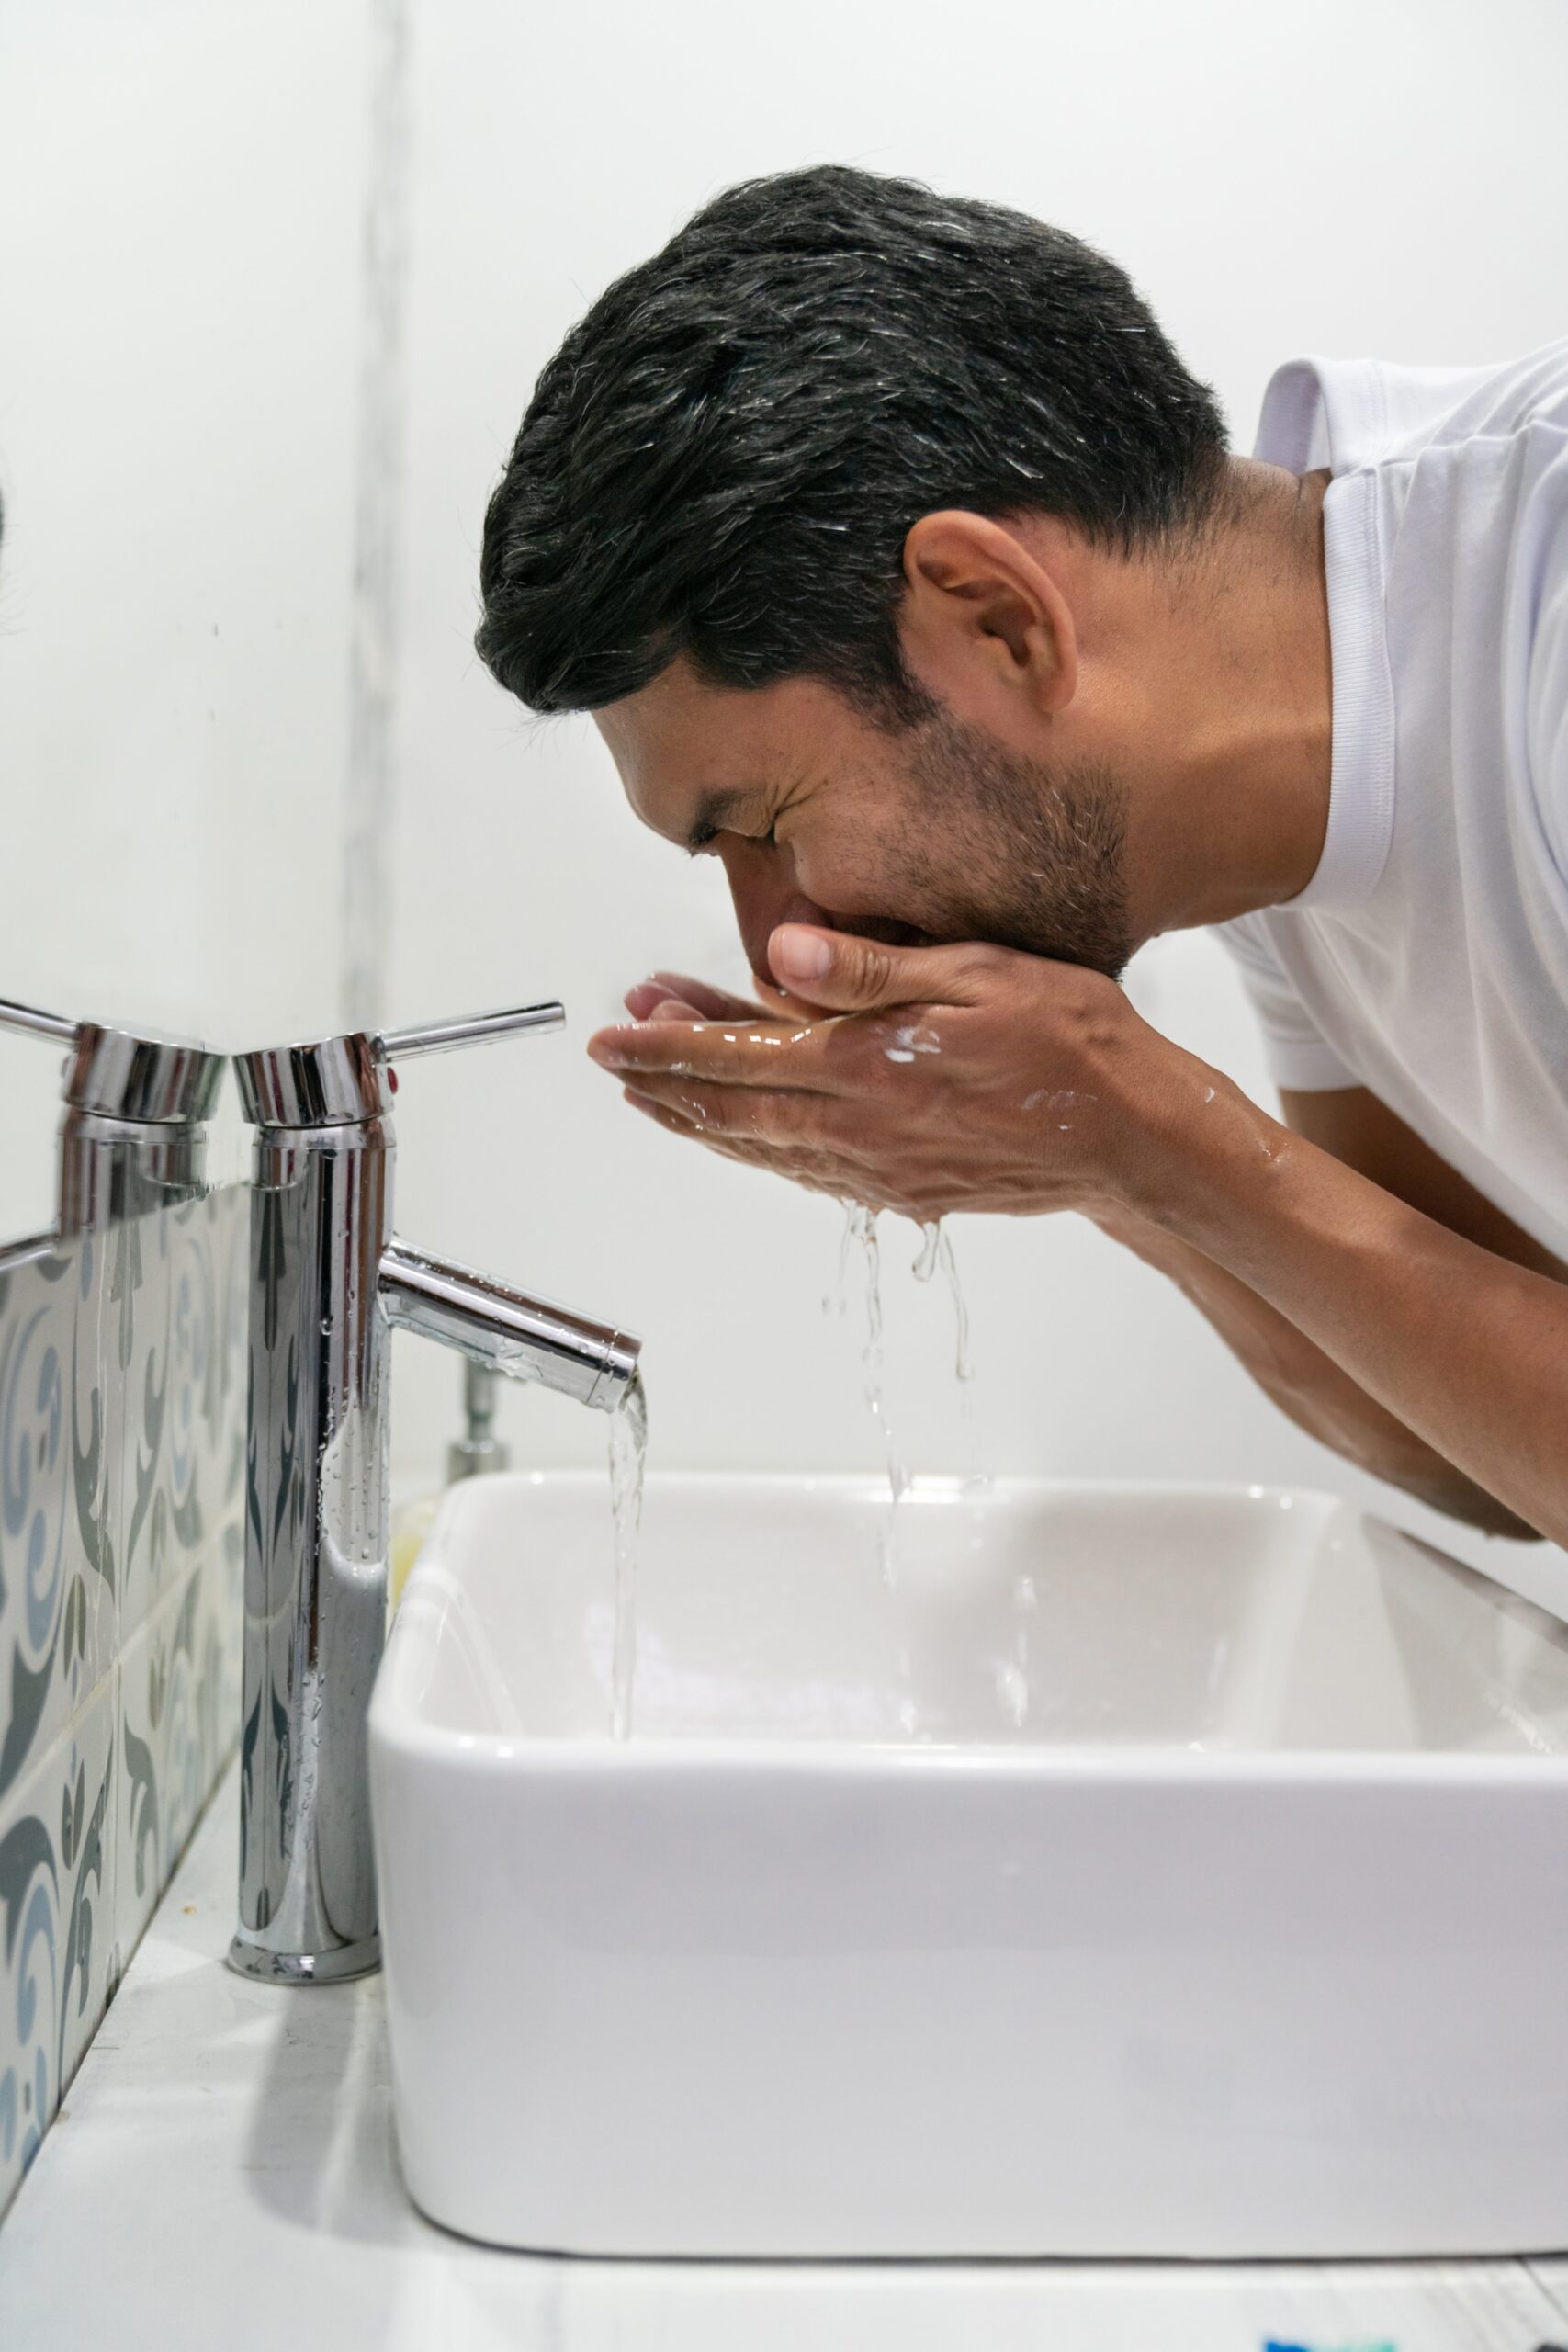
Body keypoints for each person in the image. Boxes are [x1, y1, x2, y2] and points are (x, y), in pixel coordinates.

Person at [474, 164, 1568, 1549]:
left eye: (763, 823)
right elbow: (1480, 1444)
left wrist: (1146, 1131)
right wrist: (1087, 1159)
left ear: (995, 617)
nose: (772, 945)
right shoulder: (1240, 785)